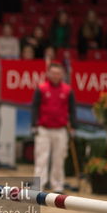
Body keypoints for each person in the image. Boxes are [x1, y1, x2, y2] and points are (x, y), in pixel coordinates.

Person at [31, 63, 76, 193]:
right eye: (53, 73)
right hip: (43, 129)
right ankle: (39, 185)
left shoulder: (68, 90)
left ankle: (57, 185)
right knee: (41, 158)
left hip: (61, 129)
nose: (56, 75)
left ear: (62, 74)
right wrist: (34, 124)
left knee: (59, 158)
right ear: (48, 74)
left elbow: (72, 110)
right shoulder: (41, 88)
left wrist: (73, 126)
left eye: (58, 73)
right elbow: (35, 107)